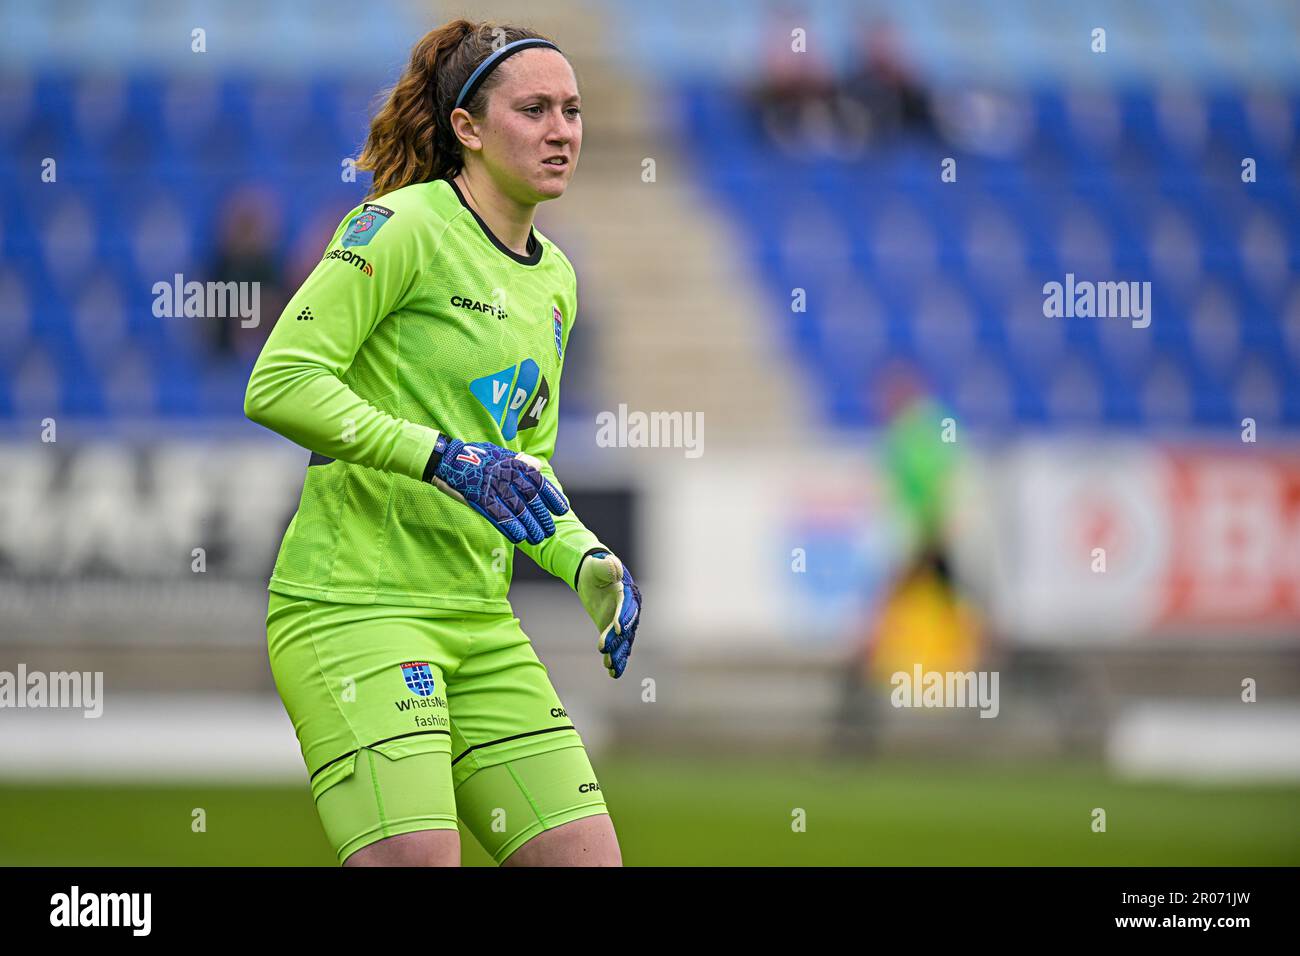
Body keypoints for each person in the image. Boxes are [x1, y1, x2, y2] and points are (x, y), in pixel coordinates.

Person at [243, 19, 641, 867]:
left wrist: (582, 560)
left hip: (479, 621)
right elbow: (278, 383)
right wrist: (437, 455)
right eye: (533, 109)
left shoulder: (559, 281)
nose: (561, 130)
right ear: (467, 127)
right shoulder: (399, 226)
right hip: (356, 609)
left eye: (572, 110)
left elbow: (521, 464)